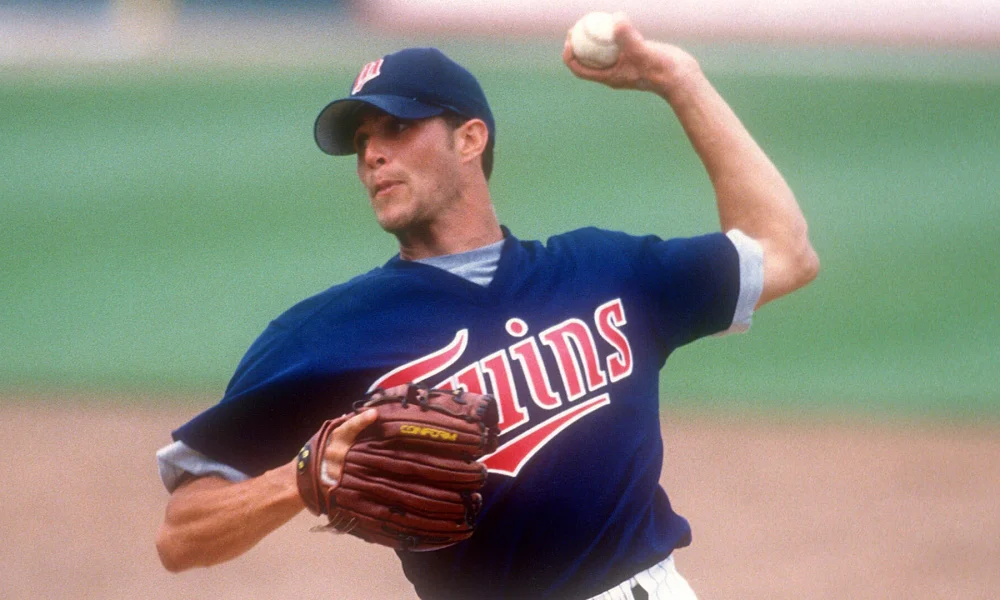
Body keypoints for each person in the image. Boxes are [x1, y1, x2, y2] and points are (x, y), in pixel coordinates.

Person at [155, 17, 818, 600]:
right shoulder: (325, 333)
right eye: (361, 142)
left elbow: (785, 253)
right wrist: (300, 481)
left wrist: (680, 80)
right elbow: (181, 536)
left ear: (470, 138)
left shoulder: (606, 271)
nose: (373, 154)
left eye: (397, 127)